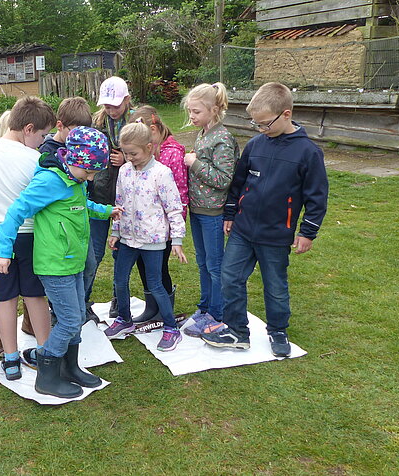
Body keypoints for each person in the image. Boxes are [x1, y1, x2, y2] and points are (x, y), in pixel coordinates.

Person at [201, 82, 328, 357]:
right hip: (243, 230)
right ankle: (237, 331)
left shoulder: (308, 153)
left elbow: (317, 197)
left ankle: (278, 330)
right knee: (230, 277)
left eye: (265, 124)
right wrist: (231, 213)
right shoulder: (255, 145)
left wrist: (307, 232)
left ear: (286, 114)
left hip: (276, 234)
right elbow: (238, 183)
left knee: (275, 285)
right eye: (256, 124)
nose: (260, 129)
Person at [0, 126, 118, 398]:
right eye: (89, 172)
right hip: (55, 265)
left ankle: (69, 368)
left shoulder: (75, 179)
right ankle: (46, 376)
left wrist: (106, 211)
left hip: (73, 262)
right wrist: (3, 251)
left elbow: (82, 205)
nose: (91, 178)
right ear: (74, 160)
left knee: (77, 316)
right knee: (70, 320)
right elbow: (15, 213)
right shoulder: (50, 181)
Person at [0, 96, 55, 380]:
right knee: (35, 295)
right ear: (28, 129)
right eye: (42, 135)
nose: (42, 142)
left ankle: (11, 358)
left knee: (5, 297)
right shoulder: (34, 159)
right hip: (29, 236)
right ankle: (45, 352)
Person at [104, 122, 188, 352]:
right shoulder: (124, 170)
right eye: (126, 153)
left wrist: (177, 240)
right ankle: (124, 319)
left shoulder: (162, 173)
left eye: (134, 153)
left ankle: (171, 328)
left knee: (155, 284)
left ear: (149, 147)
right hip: (127, 239)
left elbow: (174, 208)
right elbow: (119, 203)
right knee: (119, 280)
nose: (129, 158)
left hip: (153, 241)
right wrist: (116, 231)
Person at [179, 82, 240, 339]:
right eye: (190, 111)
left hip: (213, 213)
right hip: (198, 209)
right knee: (203, 263)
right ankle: (204, 308)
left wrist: (194, 163)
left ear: (214, 110)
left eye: (196, 111)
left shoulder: (222, 138)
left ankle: (216, 315)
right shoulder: (204, 133)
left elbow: (224, 179)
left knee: (215, 266)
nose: (191, 116)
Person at [38, 96, 100, 323]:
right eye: (74, 131)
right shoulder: (47, 152)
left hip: (80, 217)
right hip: (59, 225)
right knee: (65, 271)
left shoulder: (83, 148)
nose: (79, 138)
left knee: (89, 264)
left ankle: (81, 303)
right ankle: (61, 310)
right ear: (60, 125)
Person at [126, 106, 188, 330]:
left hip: (162, 228)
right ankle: (152, 307)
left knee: (159, 268)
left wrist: (174, 228)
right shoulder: (148, 153)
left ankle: (165, 309)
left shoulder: (173, 154)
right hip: (144, 226)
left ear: (152, 130)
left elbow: (180, 194)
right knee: (143, 265)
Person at [88, 76, 133, 319]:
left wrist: (126, 158)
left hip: (126, 199)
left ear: (127, 100)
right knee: (94, 252)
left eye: (115, 105)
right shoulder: (96, 124)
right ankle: (84, 300)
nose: (111, 110)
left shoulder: (137, 122)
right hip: (99, 195)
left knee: (121, 252)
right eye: (107, 106)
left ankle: (119, 298)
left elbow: (150, 153)